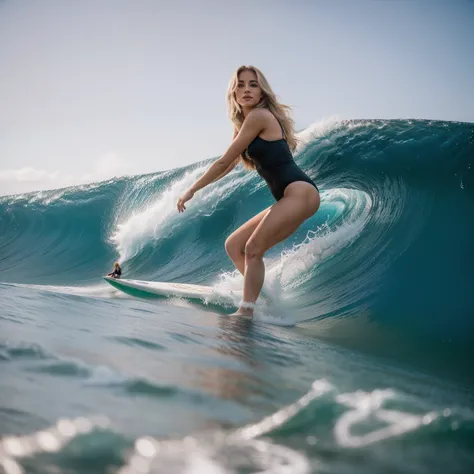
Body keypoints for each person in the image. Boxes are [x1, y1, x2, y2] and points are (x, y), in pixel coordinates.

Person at [177, 65, 320, 317]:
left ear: (262, 92)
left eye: (253, 84)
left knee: (253, 248)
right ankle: (263, 299)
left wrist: (191, 190)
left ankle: (246, 312)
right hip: (293, 195)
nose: (246, 89)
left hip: (300, 192)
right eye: (240, 85)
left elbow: (223, 161)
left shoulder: (259, 117)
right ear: (233, 93)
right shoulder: (245, 124)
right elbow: (229, 165)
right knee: (235, 246)